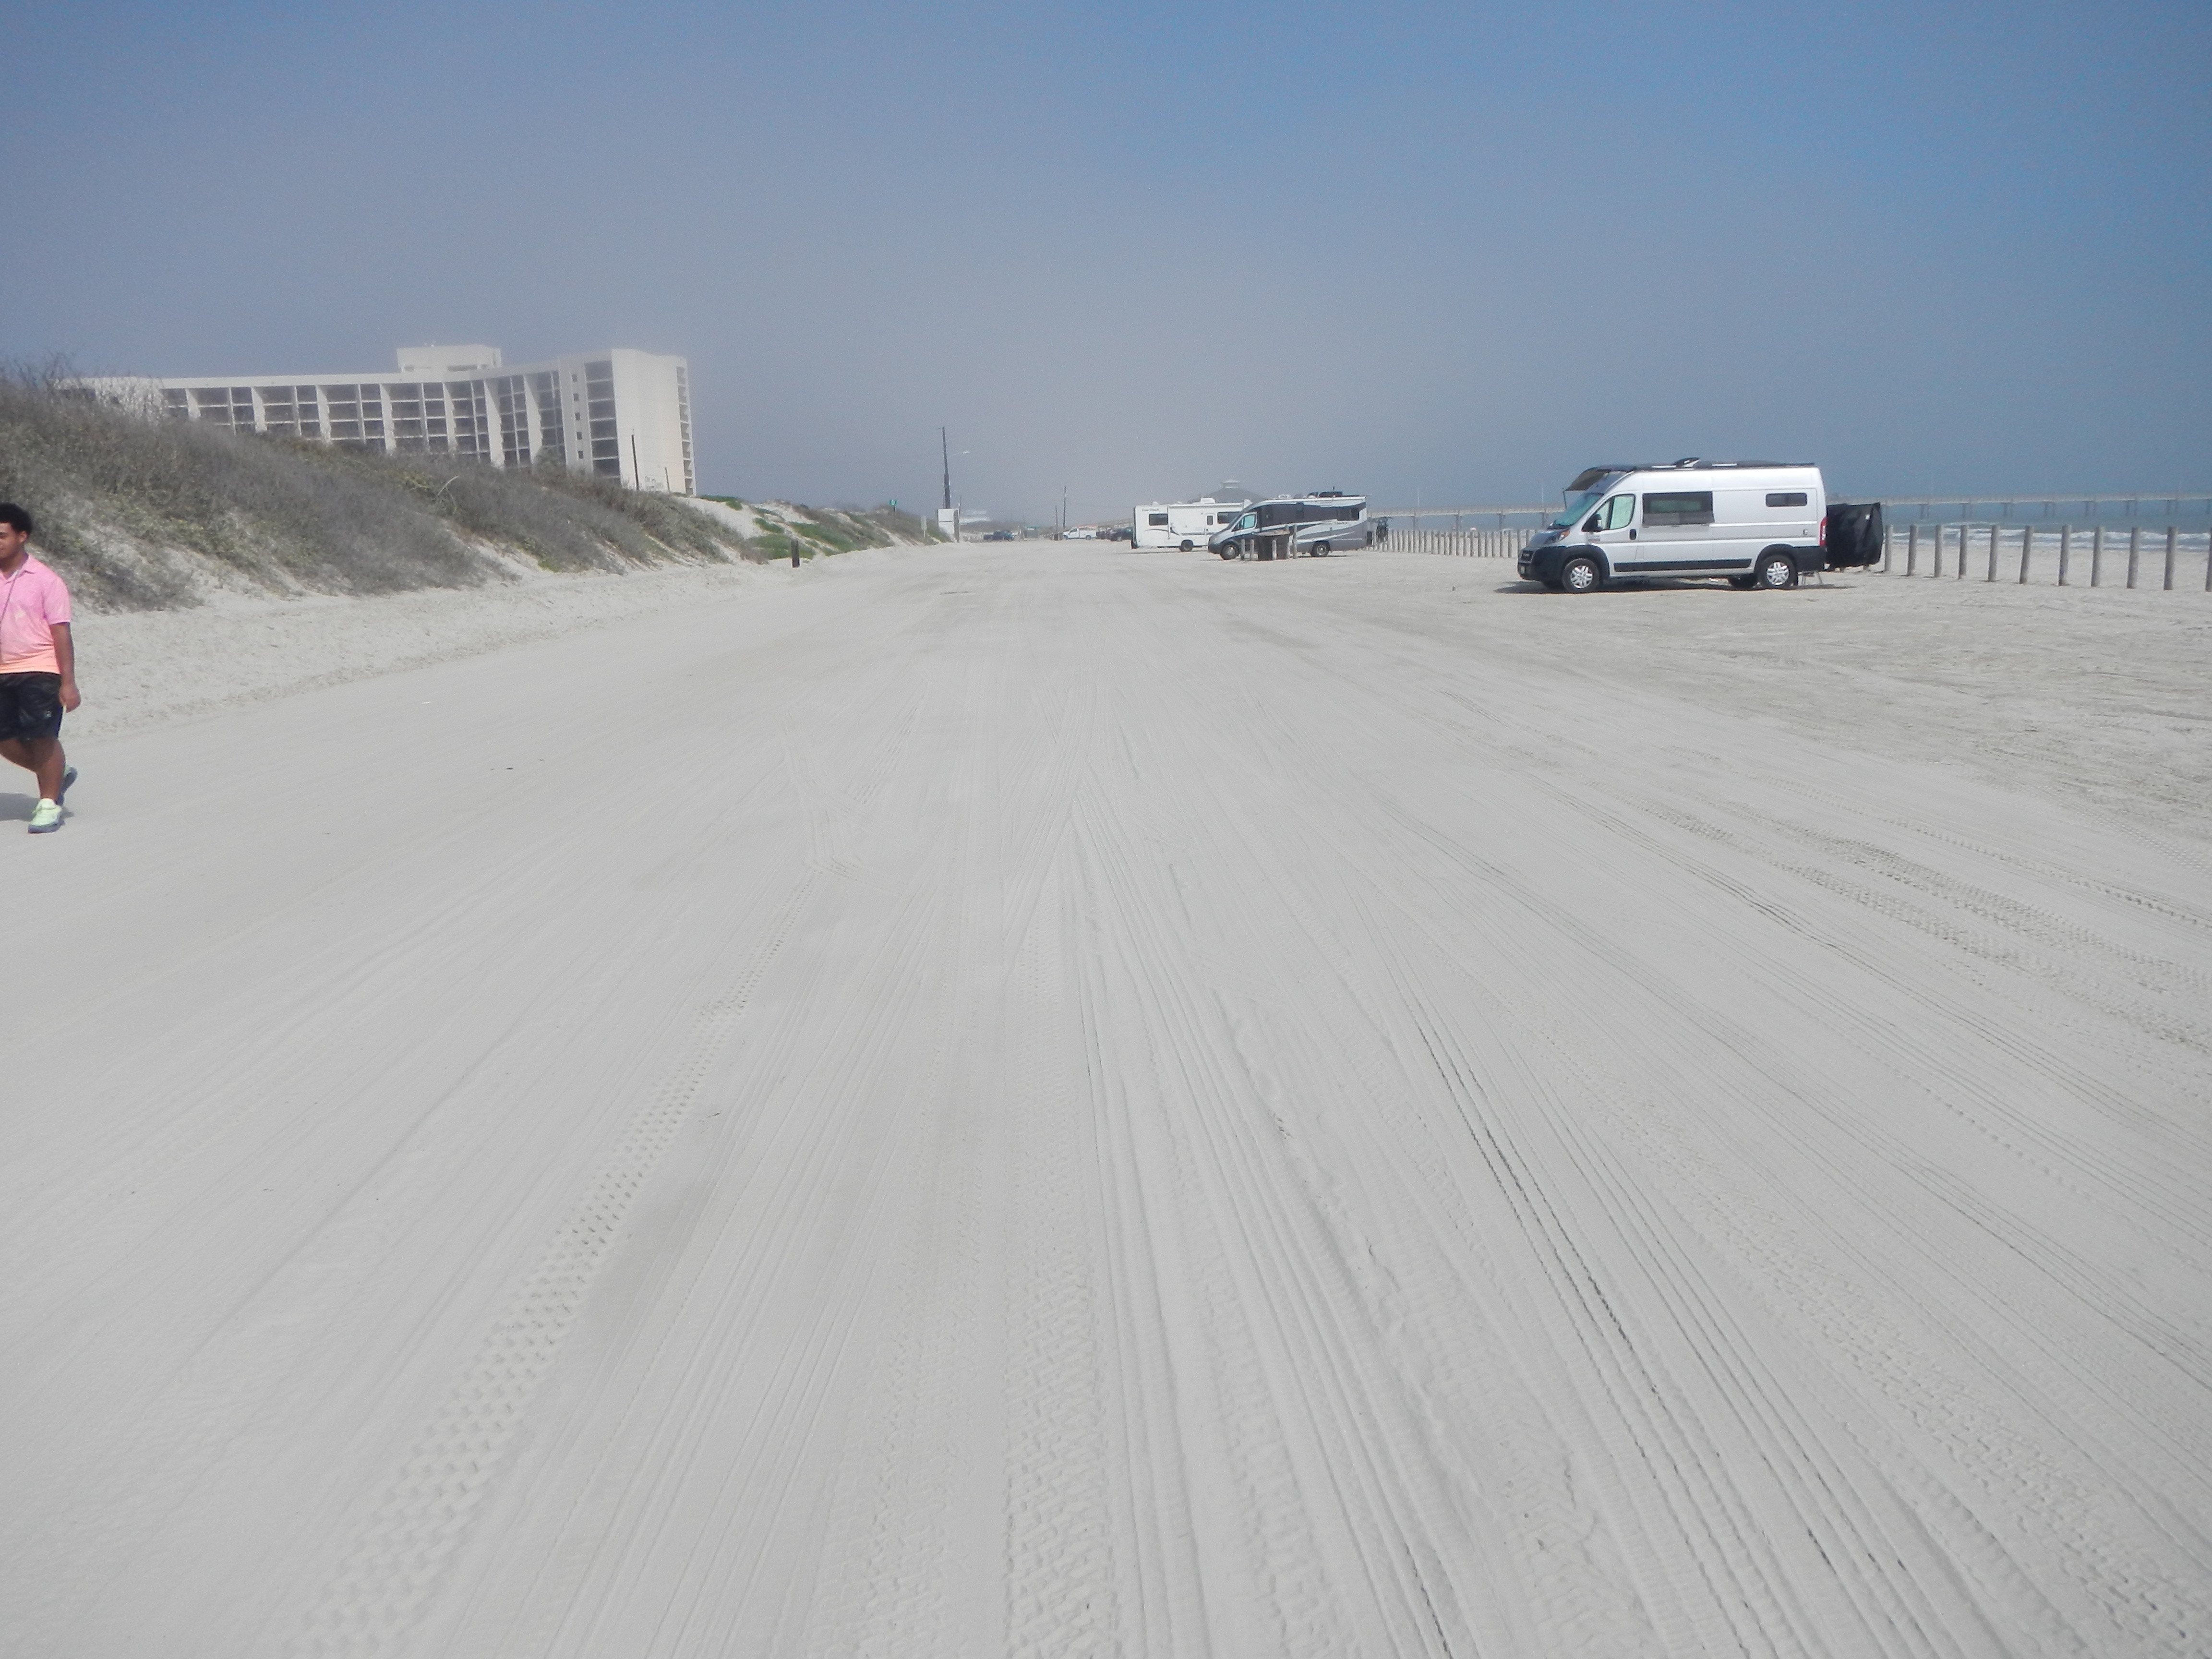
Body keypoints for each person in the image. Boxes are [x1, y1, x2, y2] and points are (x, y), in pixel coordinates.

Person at [0, 504, 79, 833]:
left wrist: (68, 683)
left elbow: (62, 633)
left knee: (41, 735)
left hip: (40, 668)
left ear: (22, 536)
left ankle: (49, 803)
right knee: (4, 739)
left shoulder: (47, 581)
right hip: (2, 670)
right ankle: (56, 773)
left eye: (2, 535)